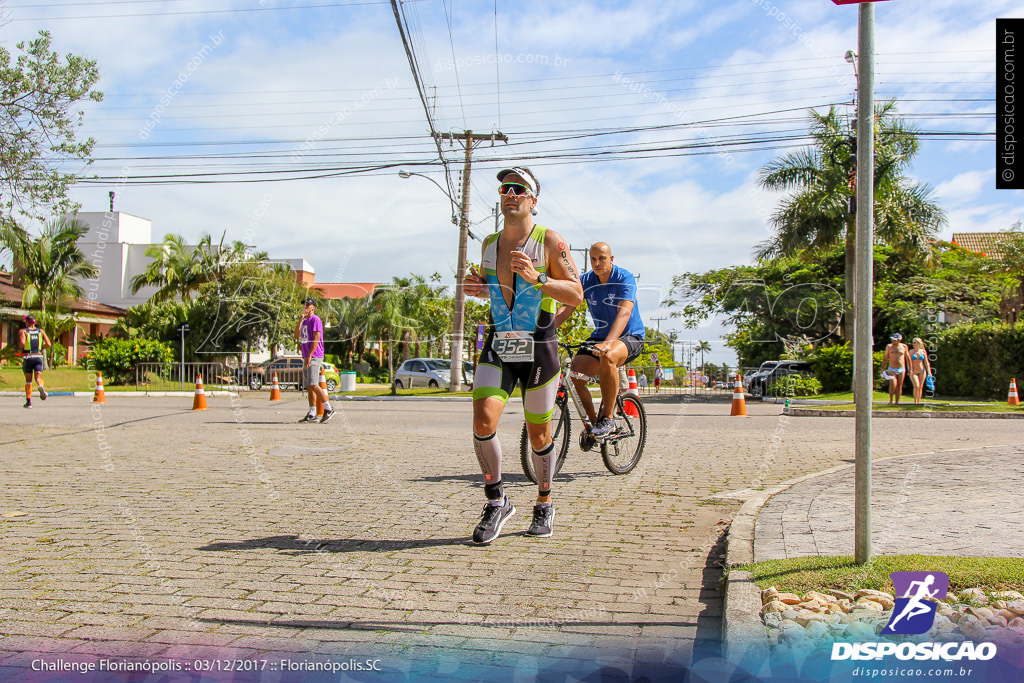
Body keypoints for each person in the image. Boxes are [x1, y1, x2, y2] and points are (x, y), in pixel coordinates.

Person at [463, 166, 583, 544]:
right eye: (504, 188)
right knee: (483, 420)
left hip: (538, 345)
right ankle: (497, 500)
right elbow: (491, 289)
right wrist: (475, 287)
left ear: (533, 199)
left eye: (518, 188)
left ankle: (544, 501)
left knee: (538, 433)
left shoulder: (550, 241)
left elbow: (576, 294)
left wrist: (539, 278)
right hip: (500, 341)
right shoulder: (488, 244)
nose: (510, 193)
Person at [555, 242, 645, 438]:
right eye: (593, 259)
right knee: (575, 377)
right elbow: (567, 306)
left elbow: (624, 313)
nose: (597, 263)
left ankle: (609, 419)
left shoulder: (624, 278)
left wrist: (609, 342)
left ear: (611, 259)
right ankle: (595, 426)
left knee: (608, 356)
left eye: (602, 258)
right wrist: (546, 330)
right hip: (601, 336)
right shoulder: (586, 280)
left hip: (630, 336)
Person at [294, 298, 334, 423]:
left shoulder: (315, 320)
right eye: (304, 304)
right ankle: (312, 413)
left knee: (313, 383)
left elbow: (316, 338)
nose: (305, 307)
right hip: (306, 355)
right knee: (309, 386)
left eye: (308, 305)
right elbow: (296, 336)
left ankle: (328, 408)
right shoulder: (304, 321)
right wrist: (300, 319)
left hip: (315, 355)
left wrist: (310, 355)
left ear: (313, 307)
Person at [19, 315, 50, 409]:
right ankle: (40, 385)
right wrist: (40, 348)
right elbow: (48, 344)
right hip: (38, 357)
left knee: (28, 381)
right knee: (38, 378)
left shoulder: (23, 331)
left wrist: (20, 351)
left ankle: (28, 402)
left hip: (29, 357)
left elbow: (22, 343)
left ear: (27, 322)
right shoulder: (41, 331)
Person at [883, 333, 912, 405]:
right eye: (892, 339)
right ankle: (890, 400)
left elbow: (908, 358)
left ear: (899, 340)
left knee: (899, 385)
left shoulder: (904, 347)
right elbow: (885, 358)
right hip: (892, 368)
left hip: (901, 368)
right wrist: (883, 368)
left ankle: (897, 402)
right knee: (893, 383)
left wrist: (910, 369)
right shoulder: (889, 347)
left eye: (894, 340)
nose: (893, 341)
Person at [908, 337, 932, 405]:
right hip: (913, 371)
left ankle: (918, 402)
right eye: (913, 342)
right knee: (916, 385)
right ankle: (915, 401)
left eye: (915, 342)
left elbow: (926, 362)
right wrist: (909, 370)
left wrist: (929, 372)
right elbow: (908, 362)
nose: (913, 344)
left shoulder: (923, 351)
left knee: (920, 387)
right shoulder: (911, 352)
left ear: (919, 343)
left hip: (922, 370)